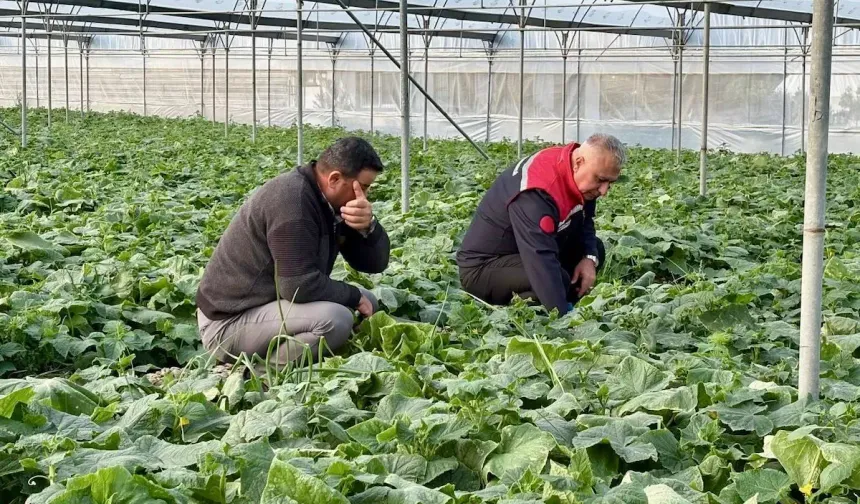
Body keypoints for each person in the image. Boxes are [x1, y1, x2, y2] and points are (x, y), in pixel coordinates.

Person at [196, 136, 390, 365]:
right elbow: (298, 285)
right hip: (228, 321)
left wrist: (369, 227)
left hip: (270, 305)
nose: (364, 197)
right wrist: (352, 296)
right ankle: (261, 375)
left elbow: (374, 264)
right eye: (363, 187)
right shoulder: (293, 200)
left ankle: (315, 347)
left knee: (369, 301)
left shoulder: (330, 202)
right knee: (336, 320)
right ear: (335, 179)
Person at [456, 133, 626, 316]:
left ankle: (558, 298)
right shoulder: (536, 192)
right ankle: (547, 308)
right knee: (554, 279)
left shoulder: (578, 175)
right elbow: (540, 259)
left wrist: (590, 258)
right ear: (578, 163)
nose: (604, 191)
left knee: (593, 251)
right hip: (484, 268)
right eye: (601, 180)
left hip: (521, 253)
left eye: (610, 183)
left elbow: (585, 222)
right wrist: (565, 320)